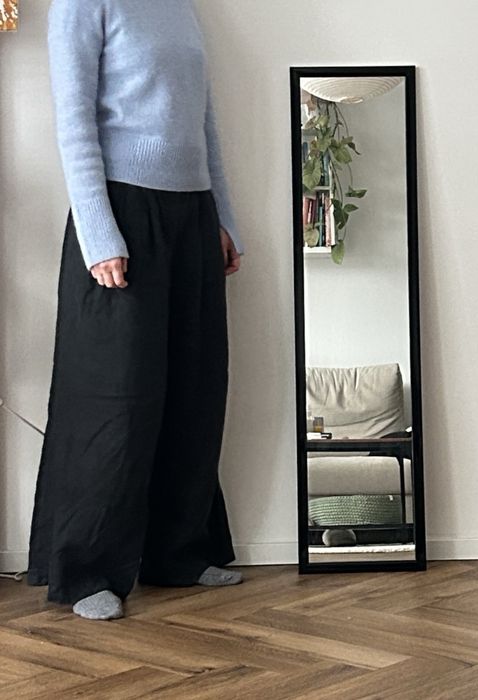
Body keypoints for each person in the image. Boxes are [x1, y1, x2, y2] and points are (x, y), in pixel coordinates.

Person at [26, 0, 245, 621]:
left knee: (195, 388)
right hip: (121, 210)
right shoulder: (82, 4)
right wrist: (98, 233)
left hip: (192, 214)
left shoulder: (180, 7)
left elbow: (203, 122)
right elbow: (74, 122)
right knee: (115, 399)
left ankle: (177, 553)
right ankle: (84, 570)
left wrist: (223, 219)